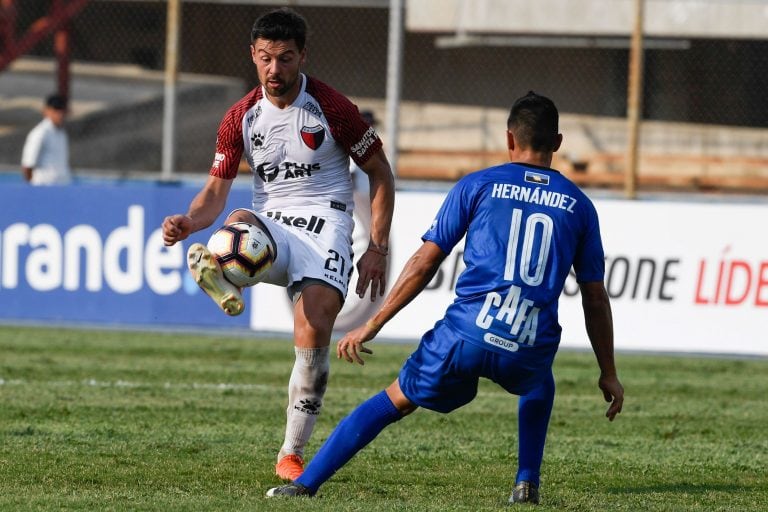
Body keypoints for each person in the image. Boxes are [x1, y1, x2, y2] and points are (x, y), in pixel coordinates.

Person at [266, 91, 624, 504]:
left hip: (466, 335)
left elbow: (423, 263)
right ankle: (526, 483)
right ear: (557, 143)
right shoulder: (580, 206)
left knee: (394, 399)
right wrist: (608, 372)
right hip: (526, 340)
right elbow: (595, 298)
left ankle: (304, 485)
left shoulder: (479, 185)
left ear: (510, 139)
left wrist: (373, 323)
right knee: (539, 381)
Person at [161, 7, 395, 482]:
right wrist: (189, 220)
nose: (274, 69)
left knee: (314, 327)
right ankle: (224, 270)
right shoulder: (240, 117)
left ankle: (290, 452)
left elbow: (380, 172)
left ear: (302, 56)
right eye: (265, 58)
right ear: (253, 55)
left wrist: (377, 246)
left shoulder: (332, 108)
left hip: (326, 224)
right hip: (271, 222)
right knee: (236, 223)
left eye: (285, 58)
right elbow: (215, 192)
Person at [21, 93, 72, 185]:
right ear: (46, 111)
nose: (59, 114)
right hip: (44, 188)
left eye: (62, 110)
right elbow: (27, 165)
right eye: (56, 110)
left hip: (62, 187)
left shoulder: (62, 133)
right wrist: (32, 189)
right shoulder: (40, 133)